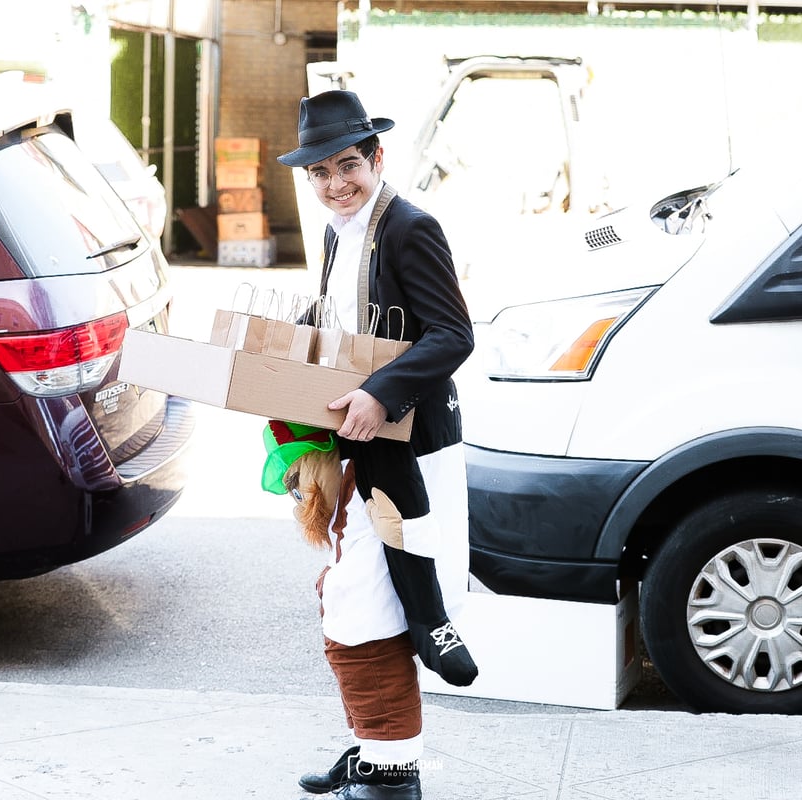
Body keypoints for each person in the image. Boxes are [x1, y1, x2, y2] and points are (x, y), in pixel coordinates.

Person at [276, 89, 476, 800]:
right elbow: (342, 319)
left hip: (412, 444)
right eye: (320, 173)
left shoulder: (410, 228)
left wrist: (381, 393)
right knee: (355, 596)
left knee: (367, 602)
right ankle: (375, 750)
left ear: (378, 157)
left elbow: (454, 333)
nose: (336, 184)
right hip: (358, 441)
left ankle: (392, 775)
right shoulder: (337, 229)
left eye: (349, 165)